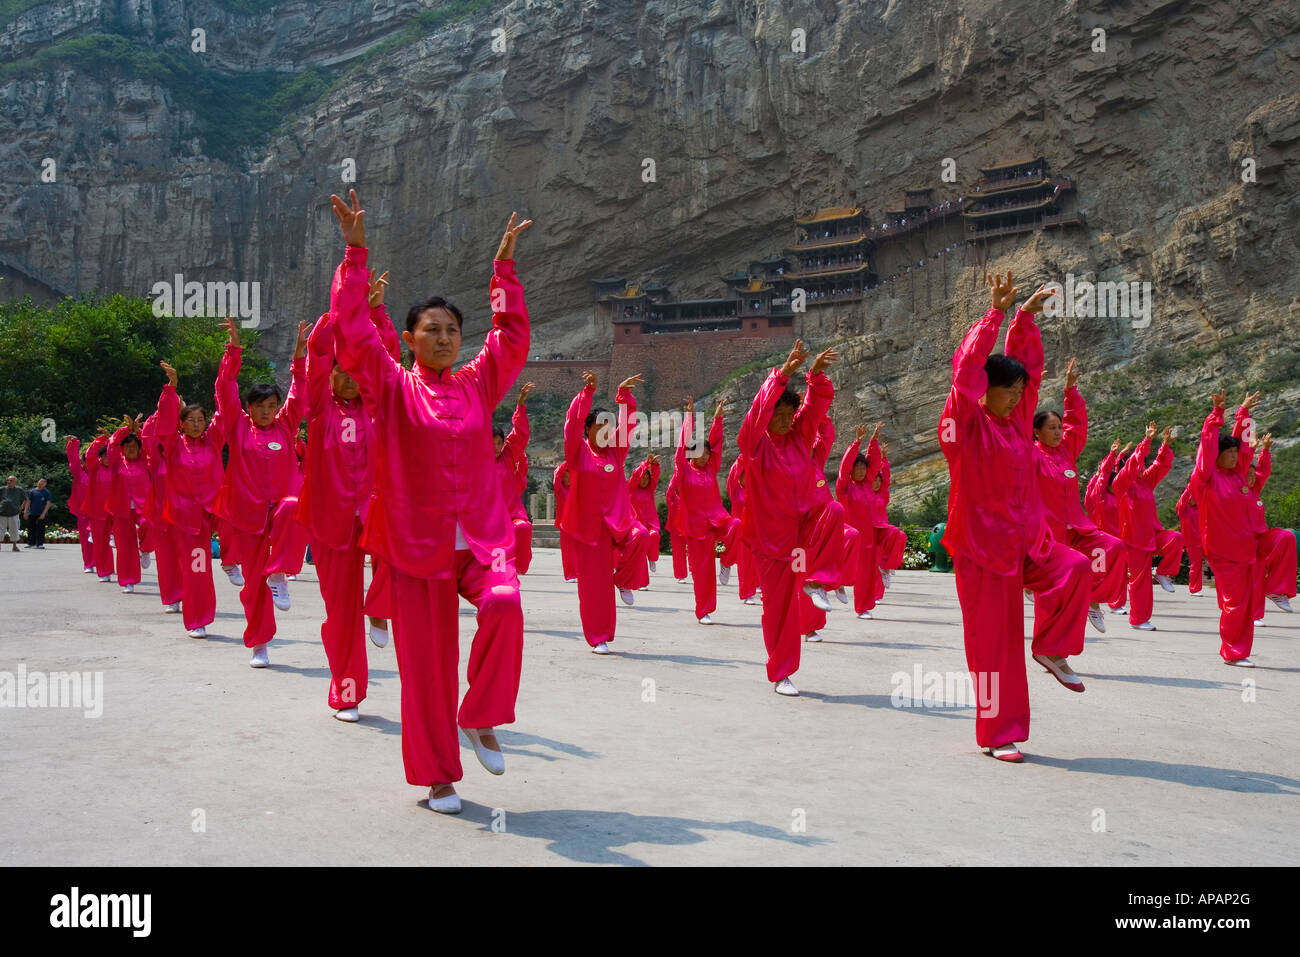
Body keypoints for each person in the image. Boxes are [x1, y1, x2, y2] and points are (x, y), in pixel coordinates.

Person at [329, 188, 530, 815]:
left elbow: (511, 336)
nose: (445, 338)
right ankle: (440, 778)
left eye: (452, 331)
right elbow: (353, 332)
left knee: (506, 602)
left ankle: (483, 715)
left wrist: (503, 272)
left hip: (481, 539)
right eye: (432, 330)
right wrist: (355, 255)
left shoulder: (477, 384)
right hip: (416, 547)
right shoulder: (390, 387)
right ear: (411, 338)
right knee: (427, 668)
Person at [939, 273, 1090, 763]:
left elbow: (1032, 371)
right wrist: (996, 316)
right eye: (1008, 392)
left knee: (1075, 568)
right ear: (987, 391)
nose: (1016, 399)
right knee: (993, 647)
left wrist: (1024, 319)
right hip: (982, 551)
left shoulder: (1018, 425)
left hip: (1027, 543)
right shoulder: (965, 426)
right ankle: (998, 733)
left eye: (1020, 393)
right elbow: (964, 375)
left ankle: (1051, 647)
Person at [737, 339, 843, 696]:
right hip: (771, 541)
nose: (783, 421)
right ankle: (782, 672)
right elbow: (755, 416)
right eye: (776, 415)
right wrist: (782, 375)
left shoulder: (800, 437)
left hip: (803, 532)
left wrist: (814, 377)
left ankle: (816, 580)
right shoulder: (756, 446)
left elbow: (815, 409)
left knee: (834, 509)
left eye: (788, 415)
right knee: (779, 609)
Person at [213, 316, 311, 667]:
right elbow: (225, 387)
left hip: (280, 511)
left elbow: (300, 390)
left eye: (273, 406)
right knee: (253, 586)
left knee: (293, 505)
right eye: (261, 407)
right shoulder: (237, 427)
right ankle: (259, 644)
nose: (268, 412)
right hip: (249, 517)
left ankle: (281, 572)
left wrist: (300, 355)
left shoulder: (286, 425)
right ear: (250, 408)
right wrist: (233, 350)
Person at [1031, 358, 1127, 634]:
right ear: (1036, 431)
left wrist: (1070, 391)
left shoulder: (1066, 450)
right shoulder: (1032, 454)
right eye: (1052, 428)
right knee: (1053, 592)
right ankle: (1048, 640)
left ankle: (1094, 600)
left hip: (1078, 527)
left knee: (1113, 548)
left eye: (1059, 428)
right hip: (1049, 533)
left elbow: (1077, 423)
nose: (1058, 433)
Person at [560, 370, 653, 653]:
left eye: (607, 427)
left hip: (620, 521)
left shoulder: (616, 451)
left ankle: (624, 581)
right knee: (593, 587)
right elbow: (571, 422)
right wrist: (586, 393)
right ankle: (599, 637)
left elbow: (628, 424)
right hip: (590, 529)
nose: (604, 432)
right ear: (587, 430)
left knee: (642, 537)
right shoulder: (578, 453)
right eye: (598, 427)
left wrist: (624, 397)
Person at [154, 360, 229, 638]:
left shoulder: (213, 441)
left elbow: (226, 412)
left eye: (201, 420)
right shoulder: (173, 446)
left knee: (245, 522)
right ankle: (197, 619)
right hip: (187, 521)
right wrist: (171, 390)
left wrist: (226, 369)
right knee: (197, 568)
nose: (197, 425)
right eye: (191, 421)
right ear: (182, 424)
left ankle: (232, 560)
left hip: (213, 511)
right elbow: (163, 426)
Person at [1189, 391, 1263, 665]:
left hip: (1247, 545)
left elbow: (1246, 446)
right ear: (1216, 456)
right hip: (1224, 550)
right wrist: (1216, 415)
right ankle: (1232, 651)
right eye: (1227, 452)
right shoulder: (1206, 479)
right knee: (1237, 602)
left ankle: (1280, 589)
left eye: (1234, 452)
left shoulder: (1238, 474)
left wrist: (1243, 413)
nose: (1234, 456)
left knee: (1286, 540)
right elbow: (1206, 447)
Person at [675, 397, 740, 624]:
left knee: (737, 526)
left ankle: (726, 561)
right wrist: (689, 418)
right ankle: (704, 611)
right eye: (700, 452)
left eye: (707, 453)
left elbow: (717, 442)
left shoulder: (711, 468)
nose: (704, 456)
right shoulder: (684, 472)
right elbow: (681, 447)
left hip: (717, 518)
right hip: (695, 526)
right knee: (703, 572)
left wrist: (718, 419)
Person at [1112, 422, 1183, 631]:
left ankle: (1163, 572)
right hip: (1133, 539)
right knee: (1139, 580)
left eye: (1143, 464)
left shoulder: (1145, 482)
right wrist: (1146, 441)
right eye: (1139, 464)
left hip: (1153, 534)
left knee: (1176, 538)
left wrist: (1165, 446)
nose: (1143, 467)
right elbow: (1131, 466)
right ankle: (1139, 619)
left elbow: (1161, 465)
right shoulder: (1120, 485)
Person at [106, 417, 156, 593]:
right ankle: (128, 581)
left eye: (135, 446)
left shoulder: (145, 461)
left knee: (148, 525)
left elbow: (149, 445)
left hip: (144, 506)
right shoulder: (116, 463)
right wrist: (125, 430)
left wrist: (138, 431)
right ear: (123, 449)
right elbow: (111, 445)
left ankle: (146, 549)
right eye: (128, 447)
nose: (131, 449)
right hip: (122, 509)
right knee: (125, 546)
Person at [494, 382, 535, 576]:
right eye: (491, 443)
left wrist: (520, 405)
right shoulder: (476, 461)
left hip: (512, 513)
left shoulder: (507, 456)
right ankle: (499, 574)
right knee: (497, 547)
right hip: (489, 518)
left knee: (524, 528)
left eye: (499, 443)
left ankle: (519, 567)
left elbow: (519, 435)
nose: (495, 447)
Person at [726, 456, 758, 604]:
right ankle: (747, 593)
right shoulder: (735, 490)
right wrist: (743, 456)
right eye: (746, 475)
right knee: (744, 562)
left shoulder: (756, 491)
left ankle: (755, 587)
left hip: (755, 531)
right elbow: (733, 474)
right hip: (740, 530)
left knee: (755, 561)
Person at [627, 452, 662, 580]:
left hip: (650, 524)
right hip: (636, 526)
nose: (645, 480)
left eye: (647, 479)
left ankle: (652, 558)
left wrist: (654, 466)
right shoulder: (631, 488)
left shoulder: (649, 490)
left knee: (654, 535)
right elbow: (636, 476)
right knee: (639, 551)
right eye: (643, 478)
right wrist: (646, 464)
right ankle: (642, 580)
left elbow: (656, 477)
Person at [64, 438, 96, 571]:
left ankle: (101, 562)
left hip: (99, 511)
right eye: (86, 459)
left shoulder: (98, 471)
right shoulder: (79, 473)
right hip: (83, 512)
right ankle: (89, 563)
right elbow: (73, 461)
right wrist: (74, 444)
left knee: (100, 539)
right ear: (83, 461)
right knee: (85, 539)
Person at [553, 461, 577, 582]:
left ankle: (579, 572)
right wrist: (568, 460)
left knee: (579, 550)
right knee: (568, 551)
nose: (569, 479)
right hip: (565, 524)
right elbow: (557, 475)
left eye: (570, 476)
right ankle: (570, 574)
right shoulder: (559, 489)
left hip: (578, 523)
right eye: (566, 476)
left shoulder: (576, 489)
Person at [23, 478, 52, 549]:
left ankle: (40, 544)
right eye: (39, 482)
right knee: (31, 528)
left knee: (41, 529)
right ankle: (31, 543)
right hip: (32, 513)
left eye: (42, 483)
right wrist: (25, 512)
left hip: (41, 514)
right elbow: (28, 502)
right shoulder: (32, 491)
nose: (40, 484)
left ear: (45, 484)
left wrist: (43, 514)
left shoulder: (46, 492)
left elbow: (48, 503)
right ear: (37, 482)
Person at [1, 476, 28, 551]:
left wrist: (23, 509)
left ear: (15, 482)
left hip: (14, 513)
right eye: (8, 480)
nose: (9, 481)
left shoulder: (19, 490)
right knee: (0, 530)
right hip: (2, 513)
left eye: (11, 480)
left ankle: (14, 546)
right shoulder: (2, 489)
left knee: (14, 529)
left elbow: (26, 499)